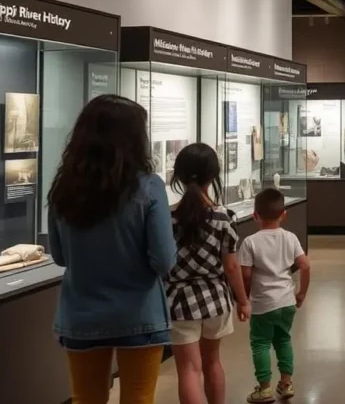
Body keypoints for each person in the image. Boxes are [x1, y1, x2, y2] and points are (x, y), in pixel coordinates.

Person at [48, 95, 177, 404]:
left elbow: (60, 256)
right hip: (139, 314)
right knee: (138, 398)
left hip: (81, 314)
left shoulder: (64, 188)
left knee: (86, 398)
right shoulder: (149, 187)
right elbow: (163, 260)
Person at [166, 143, 250, 404]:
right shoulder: (224, 217)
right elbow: (232, 265)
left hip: (178, 300)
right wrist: (243, 300)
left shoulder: (168, 218)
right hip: (216, 297)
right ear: (213, 175)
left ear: (178, 175)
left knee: (189, 369)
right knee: (213, 362)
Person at [240, 188, 311, 403]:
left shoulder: (250, 242)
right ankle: (286, 383)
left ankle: (264, 389)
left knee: (260, 343)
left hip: (263, 304)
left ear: (255, 215)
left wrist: (243, 300)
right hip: (287, 301)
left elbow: (245, 274)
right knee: (283, 340)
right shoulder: (290, 238)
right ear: (284, 214)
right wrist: (301, 294)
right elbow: (305, 266)